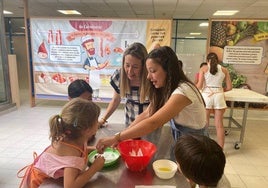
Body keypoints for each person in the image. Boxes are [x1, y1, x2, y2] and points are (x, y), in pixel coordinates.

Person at [96, 46, 207, 156]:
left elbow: (153, 122)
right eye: (148, 71)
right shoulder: (167, 89)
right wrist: (121, 136)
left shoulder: (183, 92)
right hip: (182, 141)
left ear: (168, 70)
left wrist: (116, 137)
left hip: (196, 145)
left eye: (152, 71)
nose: (148, 77)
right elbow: (147, 113)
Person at [18, 98, 104, 188]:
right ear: (87, 130)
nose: (98, 123)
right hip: (39, 183)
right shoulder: (72, 158)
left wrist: (94, 149)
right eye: (96, 121)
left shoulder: (74, 138)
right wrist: (95, 167)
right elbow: (70, 186)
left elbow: (78, 151)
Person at [98, 42, 150, 127]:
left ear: (144, 66)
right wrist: (103, 119)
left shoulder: (151, 78)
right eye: (127, 65)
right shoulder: (119, 76)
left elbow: (153, 109)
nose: (130, 71)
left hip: (150, 125)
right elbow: (115, 100)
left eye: (135, 67)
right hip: (129, 124)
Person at [196, 52, 232, 148]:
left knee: (205, 123)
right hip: (219, 96)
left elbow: (199, 86)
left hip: (207, 96)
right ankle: (221, 148)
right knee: (219, 125)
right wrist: (220, 90)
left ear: (207, 60)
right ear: (218, 60)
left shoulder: (203, 69)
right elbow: (229, 87)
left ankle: (204, 146)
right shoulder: (224, 70)